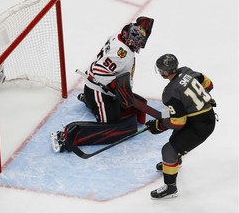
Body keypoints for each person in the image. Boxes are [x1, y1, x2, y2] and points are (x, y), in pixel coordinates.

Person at [51, 16, 154, 153]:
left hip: (97, 89)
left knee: (134, 107)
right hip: (99, 92)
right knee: (113, 128)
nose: (138, 46)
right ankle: (67, 136)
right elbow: (98, 71)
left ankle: (89, 100)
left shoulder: (117, 38)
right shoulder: (122, 54)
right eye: (136, 43)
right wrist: (113, 85)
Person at [145, 53, 217, 199]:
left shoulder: (170, 93)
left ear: (165, 72)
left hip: (200, 126)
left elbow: (178, 122)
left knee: (168, 150)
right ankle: (174, 161)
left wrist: (158, 125)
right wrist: (199, 100)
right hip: (205, 117)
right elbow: (209, 84)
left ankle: (170, 188)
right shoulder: (186, 71)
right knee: (176, 139)